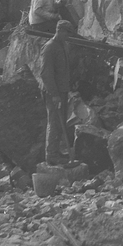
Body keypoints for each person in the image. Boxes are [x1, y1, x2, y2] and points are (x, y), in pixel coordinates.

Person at [37, 20, 75, 165]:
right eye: (67, 33)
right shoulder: (49, 47)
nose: (68, 36)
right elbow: (46, 74)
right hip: (53, 92)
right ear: (59, 31)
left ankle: (56, 151)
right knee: (54, 122)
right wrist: (54, 95)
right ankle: (51, 155)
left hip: (62, 90)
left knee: (60, 122)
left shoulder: (63, 45)